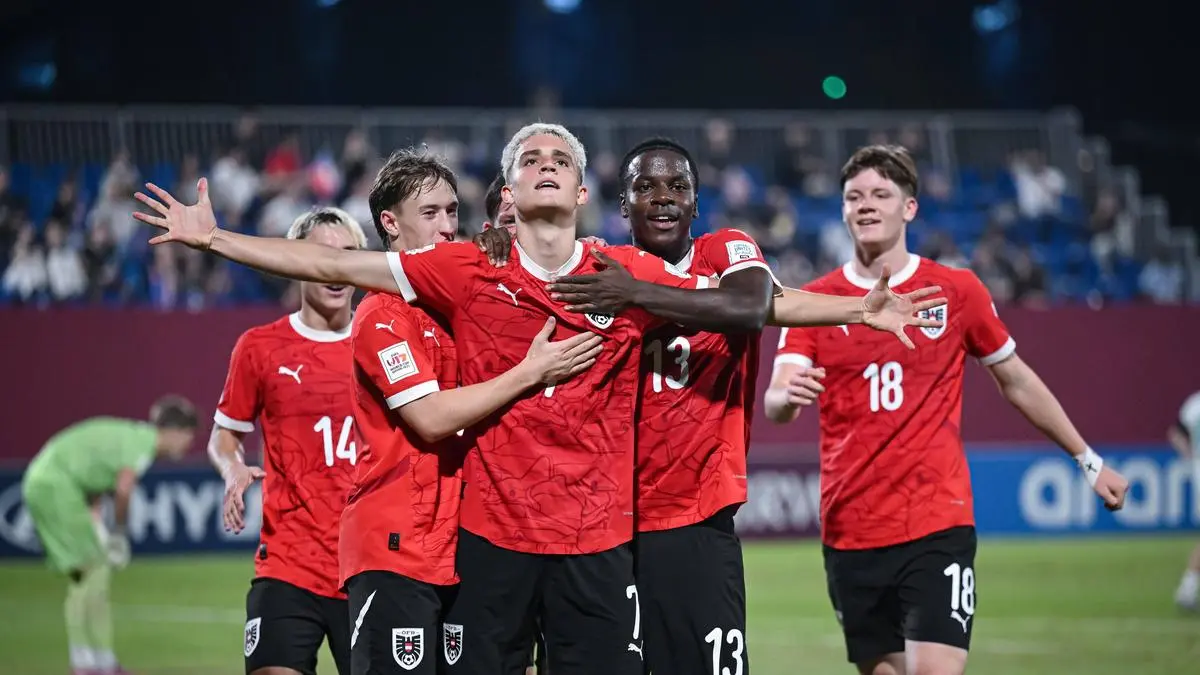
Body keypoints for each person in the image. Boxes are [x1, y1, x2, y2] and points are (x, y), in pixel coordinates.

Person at [132, 123, 938, 675]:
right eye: (530, 158)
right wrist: (214, 238)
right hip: (492, 545)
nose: (546, 162)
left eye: (561, 157)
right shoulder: (466, 271)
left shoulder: (625, 274)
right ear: (511, 193)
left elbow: (765, 303)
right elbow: (338, 266)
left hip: (598, 547)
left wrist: (860, 307)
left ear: (583, 190)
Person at [762, 144, 1130, 675]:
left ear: (909, 207)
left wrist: (1088, 461)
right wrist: (786, 397)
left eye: (880, 194)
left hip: (936, 520)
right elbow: (776, 400)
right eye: (854, 197)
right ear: (841, 210)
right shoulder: (817, 302)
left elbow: (1016, 380)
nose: (866, 205)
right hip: (851, 528)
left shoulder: (956, 291)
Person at [474, 137, 774, 675]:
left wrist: (636, 293)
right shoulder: (596, 268)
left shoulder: (721, 252)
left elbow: (755, 307)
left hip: (690, 518)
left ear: (696, 203)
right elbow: (526, 276)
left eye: (677, 187)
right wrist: (499, 236)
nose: (663, 198)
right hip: (600, 526)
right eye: (645, 187)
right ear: (623, 204)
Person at [340, 148, 602, 675]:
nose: (445, 226)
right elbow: (432, 418)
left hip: (457, 545)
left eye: (452, 211)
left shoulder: (456, 303)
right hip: (396, 544)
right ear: (389, 223)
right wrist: (530, 373)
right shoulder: (381, 313)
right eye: (429, 213)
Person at [209, 207, 368, 675]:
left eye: (348, 254)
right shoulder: (260, 347)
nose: (336, 267)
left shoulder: (383, 340)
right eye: (322, 254)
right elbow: (225, 434)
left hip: (368, 566)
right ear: (293, 260)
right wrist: (232, 467)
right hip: (288, 564)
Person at [21, 396, 198, 675]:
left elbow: (93, 474)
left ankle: (98, 661)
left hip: (51, 482)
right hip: (56, 486)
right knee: (91, 573)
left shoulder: (132, 436)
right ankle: (87, 663)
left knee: (91, 576)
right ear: (173, 431)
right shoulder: (142, 445)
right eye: (188, 435)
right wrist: (119, 533)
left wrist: (97, 521)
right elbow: (123, 489)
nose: (188, 444)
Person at [1169, 389, 1200, 611]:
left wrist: (1190, 457)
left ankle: (1187, 589)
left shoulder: (1194, 403)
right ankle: (1186, 589)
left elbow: (1176, 433)